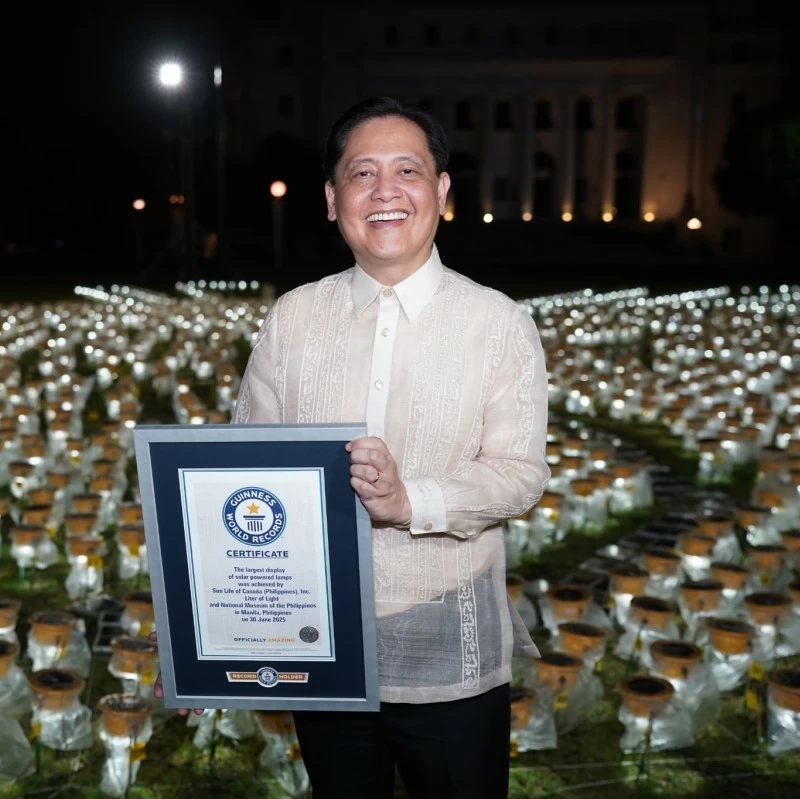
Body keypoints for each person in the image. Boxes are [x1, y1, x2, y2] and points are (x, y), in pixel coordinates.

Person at [231, 96, 550, 797]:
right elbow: (245, 473)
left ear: (441, 190)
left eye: (407, 171)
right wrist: (212, 627)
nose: (384, 192)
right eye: (361, 173)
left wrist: (411, 501)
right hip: (319, 641)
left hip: (447, 647)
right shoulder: (293, 317)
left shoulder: (497, 321)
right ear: (331, 199)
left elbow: (520, 473)